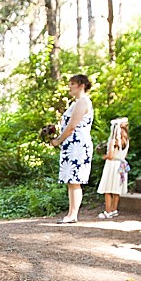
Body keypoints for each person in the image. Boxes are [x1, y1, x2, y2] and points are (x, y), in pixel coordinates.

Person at [50, 74, 94, 223]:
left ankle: (73, 215)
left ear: (81, 85)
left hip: (78, 144)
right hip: (72, 144)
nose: (69, 87)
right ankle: (71, 213)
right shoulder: (75, 103)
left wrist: (58, 140)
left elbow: (72, 126)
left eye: (72, 84)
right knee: (71, 180)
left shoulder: (83, 101)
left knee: (75, 179)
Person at [97, 117, 129, 219]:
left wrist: (104, 156)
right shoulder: (126, 141)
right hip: (121, 165)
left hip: (112, 166)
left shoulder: (113, 141)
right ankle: (114, 210)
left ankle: (108, 211)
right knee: (116, 189)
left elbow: (111, 156)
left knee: (108, 189)